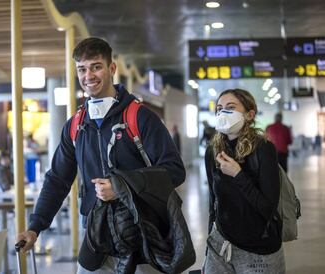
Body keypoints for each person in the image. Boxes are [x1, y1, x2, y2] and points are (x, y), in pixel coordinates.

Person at [17, 37, 186, 273]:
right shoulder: (76, 125)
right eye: (82, 69)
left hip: (142, 235)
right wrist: (36, 227)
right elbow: (57, 178)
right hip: (96, 237)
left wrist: (121, 186)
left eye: (96, 66)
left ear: (112, 68)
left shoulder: (140, 117)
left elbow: (175, 171)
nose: (89, 76)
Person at [204, 89, 285, 274]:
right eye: (219, 109)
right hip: (221, 244)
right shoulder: (213, 151)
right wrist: (209, 246)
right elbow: (212, 203)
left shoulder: (264, 149)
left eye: (230, 107)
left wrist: (238, 175)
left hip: (259, 247)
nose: (223, 113)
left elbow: (268, 208)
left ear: (249, 115)